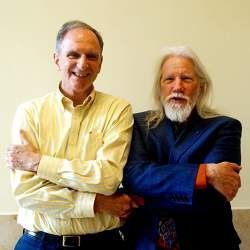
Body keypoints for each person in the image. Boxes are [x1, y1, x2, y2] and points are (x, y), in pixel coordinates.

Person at [5, 20, 141, 250]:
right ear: (57, 59)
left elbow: (107, 179)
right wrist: (97, 202)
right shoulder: (29, 113)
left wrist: (40, 163)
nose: (82, 64)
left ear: (100, 64)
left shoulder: (118, 110)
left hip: (102, 243)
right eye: (73, 54)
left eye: (91, 56)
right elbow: (27, 193)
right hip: (38, 242)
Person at [122, 46, 242, 250]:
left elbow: (211, 197)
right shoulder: (138, 124)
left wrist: (143, 197)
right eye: (169, 79)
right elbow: (134, 177)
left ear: (201, 86)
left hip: (209, 241)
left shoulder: (225, 126)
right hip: (146, 242)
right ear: (159, 87)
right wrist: (205, 173)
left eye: (186, 78)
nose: (177, 86)